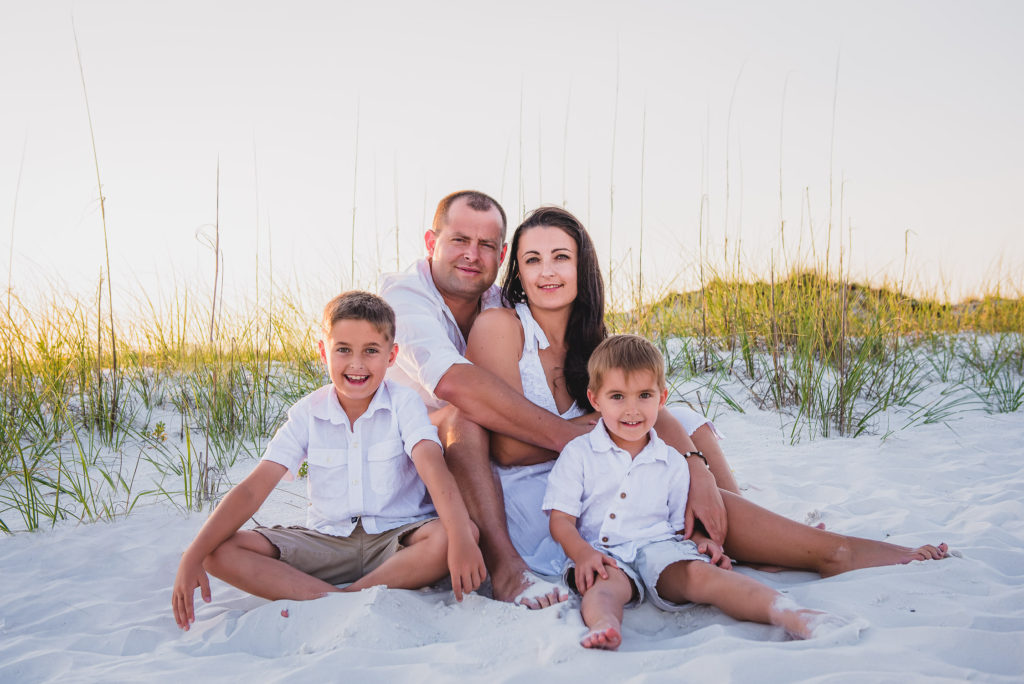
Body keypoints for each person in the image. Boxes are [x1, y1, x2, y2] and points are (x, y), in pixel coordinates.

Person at [464, 205, 947, 600]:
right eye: (532, 260)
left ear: (581, 266)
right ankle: (832, 553)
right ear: (517, 271)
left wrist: (696, 470)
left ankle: (814, 547)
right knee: (653, 470)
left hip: (609, 470)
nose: (547, 271)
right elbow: (506, 447)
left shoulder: (594, 341)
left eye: (560, 257)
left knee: (683, 466)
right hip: (545, 502)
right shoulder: (501, 327)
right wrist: (620, 439)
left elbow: (652, 414)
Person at [381, 191, 734, 607]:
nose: (472, 255)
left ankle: (733, 518)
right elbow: (453, 383)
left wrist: (698, 467)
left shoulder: (498, 301)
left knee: (670, 417)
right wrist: (574, 436)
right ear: (431, 242)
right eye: (459, 240)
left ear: (502, 253)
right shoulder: (404, 298)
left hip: (487, 450)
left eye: (487, 245)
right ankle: (506, 567)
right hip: (419, 456)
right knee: (463, 416)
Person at [171, 291, 484, 631]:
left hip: (396, 542)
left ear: (391, 355)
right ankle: (333, 599)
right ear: (324, 351)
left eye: (371, 351)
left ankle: (345, 598)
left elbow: (433, 468)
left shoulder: (403, 404)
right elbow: (253, 490)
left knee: (459, 532)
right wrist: (192, 554)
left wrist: (463, 540)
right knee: (217, 550)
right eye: (343, 350)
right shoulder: (308, 413)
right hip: (327, 542)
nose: (357, 364)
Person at [544, 335, 840, 650]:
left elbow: (677, 526)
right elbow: (561, 520)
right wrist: (583, 554)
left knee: (705, 577)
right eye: (617, 396)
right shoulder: (579, 453)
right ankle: (605, 626)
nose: (632, 409)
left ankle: (792, 613)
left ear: (661, 398)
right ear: (595, 399)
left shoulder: (672, 460)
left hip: (659, 547)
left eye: (644, 395)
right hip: (603, 554)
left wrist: (702, 542)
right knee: (601, 591)